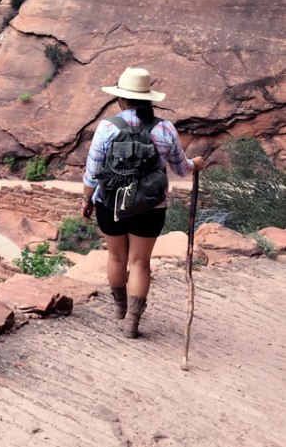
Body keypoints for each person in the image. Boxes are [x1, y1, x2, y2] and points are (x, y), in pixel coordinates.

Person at [82, 67, 203, 338]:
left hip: (111, 204)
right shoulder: (165, 128)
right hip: (150, 207)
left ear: (120, 100)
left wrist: (86, 200)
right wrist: (196, 164)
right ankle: (133, 323)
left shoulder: (107, 127)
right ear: (149, 99)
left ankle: (119, 310)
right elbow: (181, 168)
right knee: (139, 263)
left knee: (116, 257)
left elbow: (93, 171)